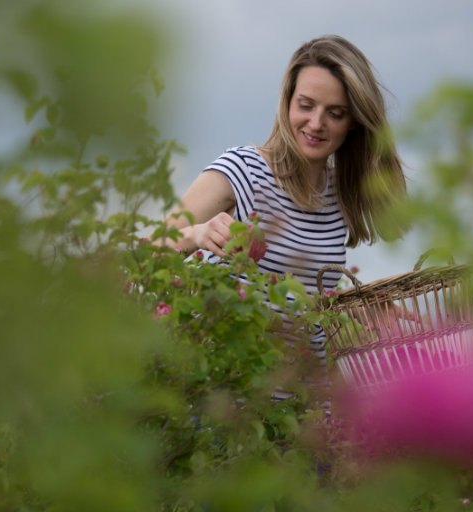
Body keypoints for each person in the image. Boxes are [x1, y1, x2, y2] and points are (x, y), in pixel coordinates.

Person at [157, 34, 407, 361]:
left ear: (354, 124)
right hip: (230, 397)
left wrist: (354, 307)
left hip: (305, 401)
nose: (316, 123)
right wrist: (197, 233)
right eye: (306, 105)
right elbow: (147, 256)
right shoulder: (242, 170)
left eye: (335, 113)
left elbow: (303, 298)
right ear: (287, 101)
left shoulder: (338, 195)